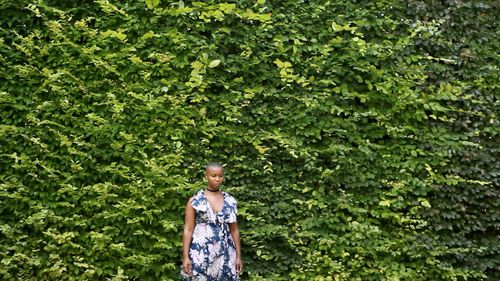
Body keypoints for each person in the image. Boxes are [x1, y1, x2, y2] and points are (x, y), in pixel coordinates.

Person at [181, 163, 242, 280]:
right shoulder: (195, 201)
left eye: (220, 176)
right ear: (206, 176)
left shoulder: (230, 201)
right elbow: (188, 229)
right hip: (200, 253)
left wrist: (238, 256)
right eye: (213, 176)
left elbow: (234, 230)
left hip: (226, 253)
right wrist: (185, 257)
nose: (217, 179)